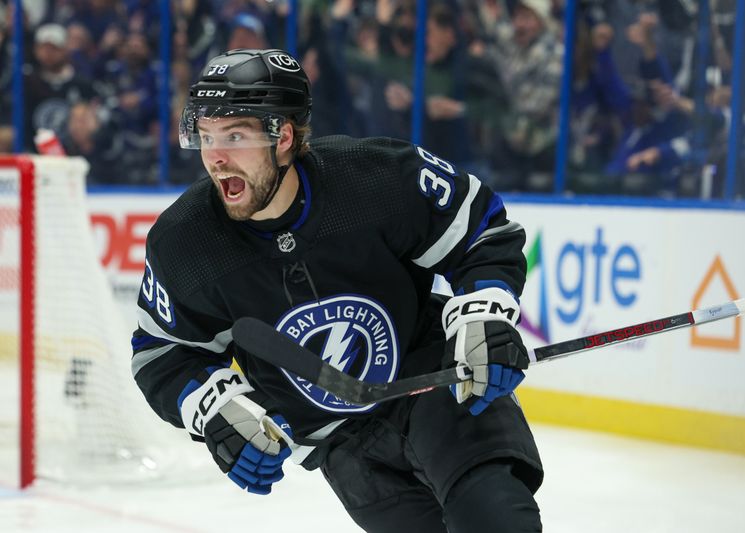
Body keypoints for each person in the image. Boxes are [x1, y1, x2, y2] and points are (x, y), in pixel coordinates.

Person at [131, 48, 543, 533]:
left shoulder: (373, 179)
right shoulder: (186, 240)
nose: (216, 158)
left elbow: (480, 231)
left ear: (282, 137)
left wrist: (484, 312)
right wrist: (215, 408)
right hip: (344, 449)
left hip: (440, 390)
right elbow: (163, 353)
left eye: (235, 136)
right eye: (206, 137)